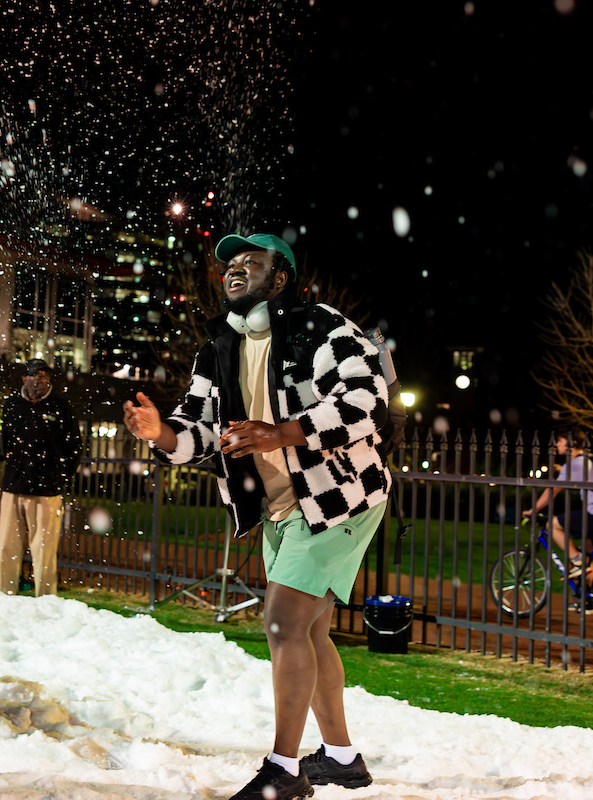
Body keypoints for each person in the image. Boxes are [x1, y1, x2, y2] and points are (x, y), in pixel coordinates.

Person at [123, 233, 391, 800]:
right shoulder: (218, 346)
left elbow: (364, 401)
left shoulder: (322, 328)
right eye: (231, 263)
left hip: (339, 496)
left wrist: (281, 432)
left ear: (280, 278)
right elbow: (198, 430)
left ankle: (284, 770)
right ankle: (342, 758)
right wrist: (161, 433)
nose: (235, 270)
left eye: (252, 261)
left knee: (282, 622)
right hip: (278, 508)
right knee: (309, 630)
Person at [0, 358, 82, 597]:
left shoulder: (60, 407)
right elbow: (5, 441)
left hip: (47, 490)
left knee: (44, 550)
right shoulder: (12, 405)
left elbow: (74, 447)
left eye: (45, 375)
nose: (41, 379)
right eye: (35, 374)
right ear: (24, 378)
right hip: (13, 486)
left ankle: (45, 599)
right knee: (6, 547)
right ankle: (5, 597)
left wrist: (59, 477)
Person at [523, 432, 593, 593]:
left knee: (553, 525)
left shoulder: (574, 464)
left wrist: (533, 510)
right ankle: (587, 599)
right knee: (586, 558)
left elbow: (553, 491)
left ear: (571, 444)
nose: (557, 444)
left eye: (560, 441)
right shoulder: (587, 460)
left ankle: (577, 561)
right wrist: (562, 470)